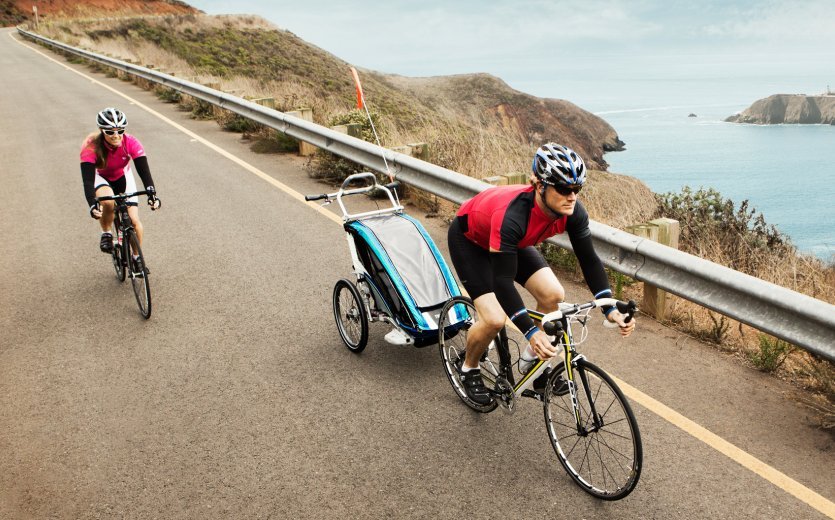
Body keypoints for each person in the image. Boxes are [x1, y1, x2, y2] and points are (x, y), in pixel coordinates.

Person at [447, 143, 636, 405]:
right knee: (493, 319)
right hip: (471, 241)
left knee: (553, 294)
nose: (572, 196)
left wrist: (608, 307)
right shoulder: (512, 216)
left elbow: (589, 260)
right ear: (540, 185)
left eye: (577, 189)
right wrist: (530, 332)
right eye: (564, 189)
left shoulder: (573, 211)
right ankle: (468, 368)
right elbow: (502, 281)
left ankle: (531, 363)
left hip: (511, 243)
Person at [81, 107, 160, 270]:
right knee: (108, 201)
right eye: (110, 132)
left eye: (120, 130)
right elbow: (88, 181)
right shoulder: (91, 146)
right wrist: (92, 204)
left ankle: (137, 257)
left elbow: (144, 172)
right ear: (102, 131)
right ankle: (107, 233)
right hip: (101, 177)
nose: (116, 135)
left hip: (123, 176)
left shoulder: (130, 142)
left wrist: (152, 194)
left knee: (134, 222)